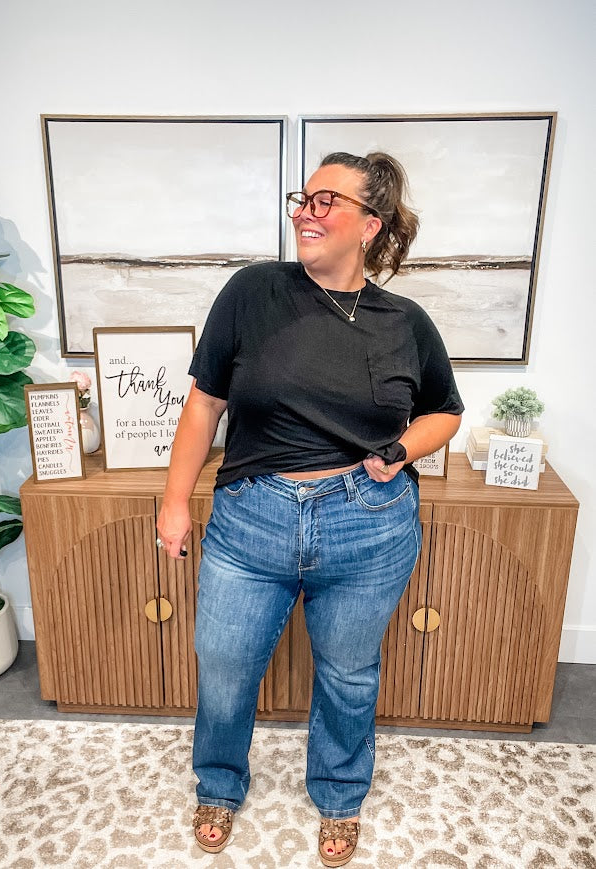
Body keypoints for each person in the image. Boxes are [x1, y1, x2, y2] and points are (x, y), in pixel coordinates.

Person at [156, 150, 463, 866]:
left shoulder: (404, 321)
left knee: (348, 671)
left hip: (366, 522)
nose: (306, 210)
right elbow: (204, 403)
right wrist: (174, 502)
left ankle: (337, 792)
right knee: (225, 663)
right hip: (251, 518)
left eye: (327, 201)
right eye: (304, 197)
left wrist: (397, 451)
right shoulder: (252, 291)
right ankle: (220, 781)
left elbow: (444, 412)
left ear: (369, 225)